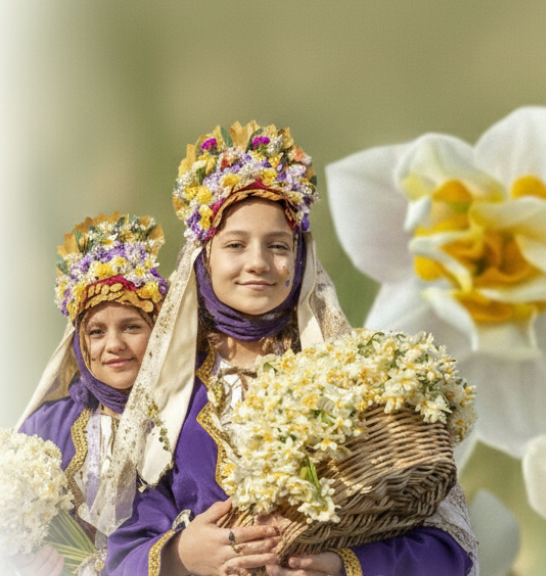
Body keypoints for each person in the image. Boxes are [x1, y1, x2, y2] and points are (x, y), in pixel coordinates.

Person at [102, 122, 477, 576]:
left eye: (278, 245)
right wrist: (183, 555)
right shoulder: (170, 399)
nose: (258, 263)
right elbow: (121, 555)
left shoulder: (359, 378)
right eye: (236, 245)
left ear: (300, 261)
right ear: (205, 259)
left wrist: (343, 566)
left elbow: (448, 548)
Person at [14, 213, 170, 576]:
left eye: (132, 327)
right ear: (78, 343)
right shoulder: (47, 428)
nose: (113, 345)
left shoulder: (183, 417)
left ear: (160, 330)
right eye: (97, 332)